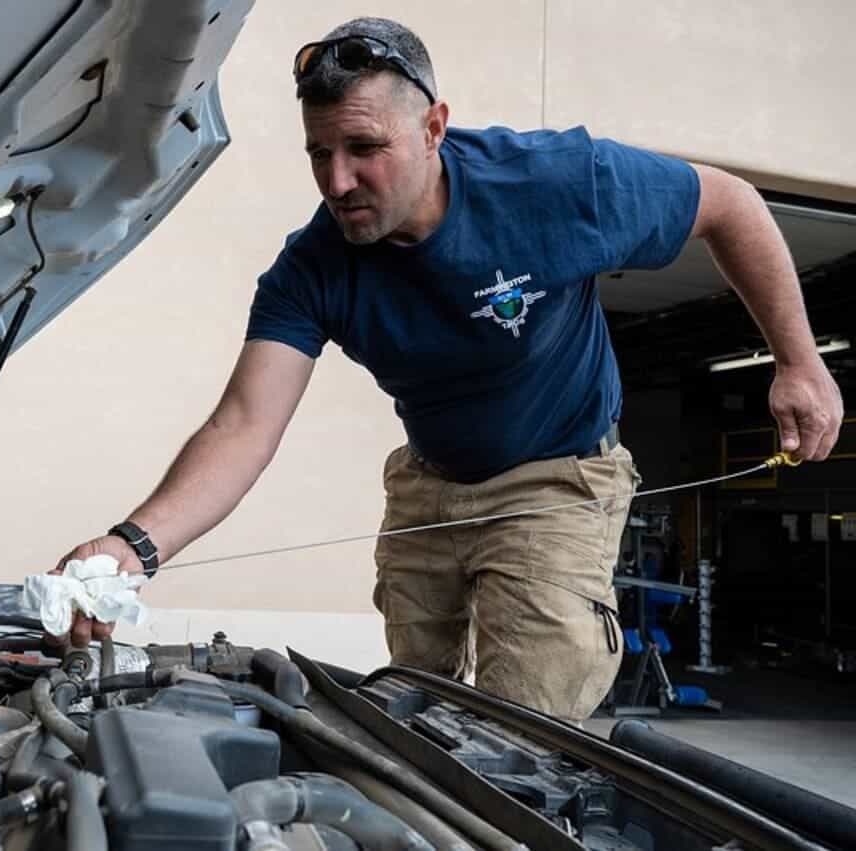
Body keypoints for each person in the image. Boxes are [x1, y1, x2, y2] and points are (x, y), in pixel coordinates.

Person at [52, 17, 844, 722]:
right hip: (431, 484)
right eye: (319, 153)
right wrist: (132, 545)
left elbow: (731, 204)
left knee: (519, 727)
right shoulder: (310, 270)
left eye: (365, 149)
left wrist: (798, 364)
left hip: (558, 482)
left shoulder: (556, 184)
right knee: (404, 717)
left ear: (434, 127)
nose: (337, 182)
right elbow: (244, 423)